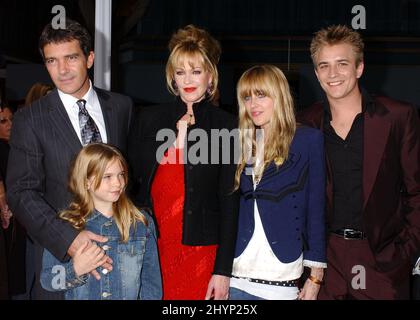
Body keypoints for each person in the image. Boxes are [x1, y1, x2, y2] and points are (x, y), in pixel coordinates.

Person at [6, 19, 133, 299]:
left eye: (71, 58)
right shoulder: (31, 119)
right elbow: (21, 192)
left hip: (121, 258)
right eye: (52, 61)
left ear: (89, 58)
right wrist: (70, 240)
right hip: (61, 261)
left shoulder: (121, 107)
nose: (62, 70)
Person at [298, 25, 420, 299]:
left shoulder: (398, 117)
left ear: (359, 67)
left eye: (342, 64)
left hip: (381, 261)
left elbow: (416, 191)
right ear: (316, 73)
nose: (333, 74)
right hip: (323, 263)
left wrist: (402, 254)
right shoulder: (303, 124)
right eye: (324, 66)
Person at [128, 24, 239, 300]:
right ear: (172, 78)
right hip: (153, 248)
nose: (188, 79)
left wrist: (223, 271)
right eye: (180, 72)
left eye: (196, 71)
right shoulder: (147, 119)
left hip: (201, 253)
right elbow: (129, 186)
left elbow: (230, 203)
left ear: (210, 76)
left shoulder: (227, 126)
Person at [229, 65, 326, 300]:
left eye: (261, 95)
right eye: (247, 97)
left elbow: (316, 209)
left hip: (281, 280)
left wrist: (315, 277)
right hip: (234, 275)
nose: (253, 104)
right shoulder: (237, 143)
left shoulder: (308, 140)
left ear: (279, 96)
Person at [40, 143, 162, 300]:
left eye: (121, 174)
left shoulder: (140, 223)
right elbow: (47, 280)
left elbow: (152, 286)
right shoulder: (65, 225)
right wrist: (75, 270)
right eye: (108, 176)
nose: (118, 183)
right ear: (86, 182)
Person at [0, 105, 28, 299]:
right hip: (10, 221)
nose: (10, 125)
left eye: (12, 119)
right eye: (3, 121)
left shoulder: (16, 146)